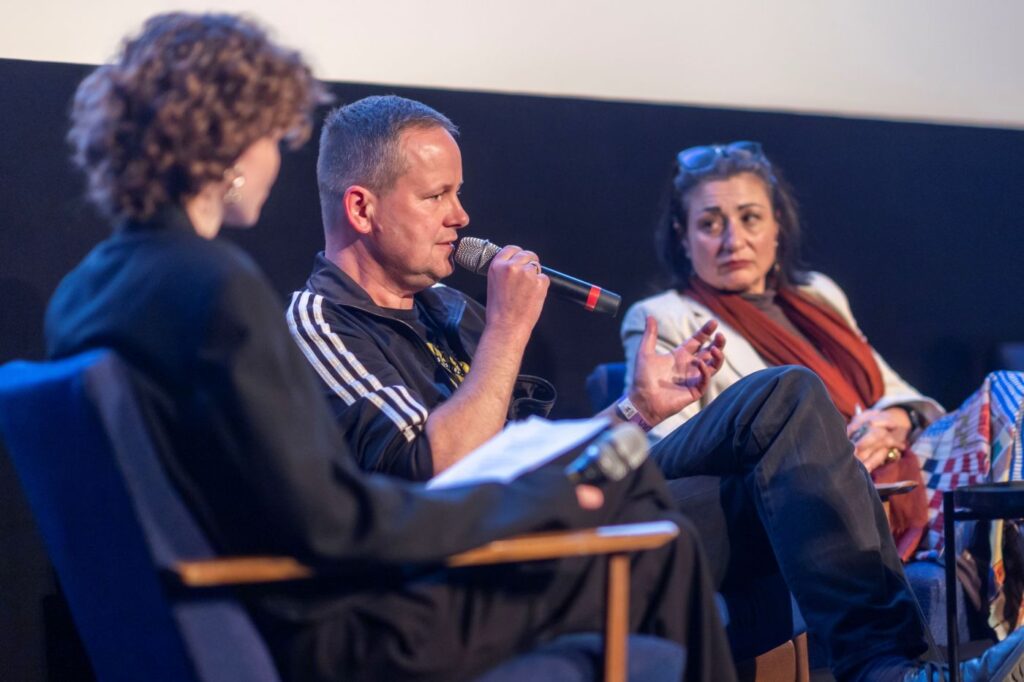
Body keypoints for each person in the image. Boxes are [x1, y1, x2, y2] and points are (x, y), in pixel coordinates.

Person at [44, 14, 735, 682]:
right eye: (270, 135)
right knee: (658, 545)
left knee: (626, 496)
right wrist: (528, 502)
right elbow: (337, 521)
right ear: (230, 143)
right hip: (345, 628)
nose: (273, 157)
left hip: (271, 608)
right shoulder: (215, 287)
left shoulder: (85, 292)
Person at [292, 94, 1024, 682]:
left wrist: (638, 408)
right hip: (489, 558)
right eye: (438, 196)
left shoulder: (448, 310)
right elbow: (438, 472)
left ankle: (894, 670)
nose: (463, 216)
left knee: (788, 399)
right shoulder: (326, 319)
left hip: (557, 507)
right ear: (361, 208)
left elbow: (544, 453)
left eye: (460, 193)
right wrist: (508, 333)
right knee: (775, 486)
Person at [621, 142, 1024, 633]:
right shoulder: (665, 316)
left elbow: (899, 392)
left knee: (1013, 389)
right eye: (710, 224)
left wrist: (893, 422)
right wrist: (837, 448)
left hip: (907, 453)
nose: (733, 240)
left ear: (776, 228)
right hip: (817, 487)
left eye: (750, 219)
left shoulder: (817, 293)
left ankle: (999, 590)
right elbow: (676, 454)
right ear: (684, 238)